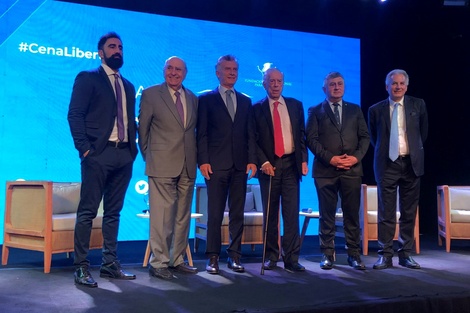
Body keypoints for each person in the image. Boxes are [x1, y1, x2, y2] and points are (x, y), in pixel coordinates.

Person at [67, 32, 138, 287]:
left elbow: (129, 121)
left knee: (114, 213)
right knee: (87, 212)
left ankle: (109, 264)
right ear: (101, 52)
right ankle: (81, 267)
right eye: (112, 46)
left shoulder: (129, 86)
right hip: (98, 154)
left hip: (124, 155)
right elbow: (74, 115)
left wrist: (132, 150)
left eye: (120, 46)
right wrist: (85, 149)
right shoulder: (88, 78)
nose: (117, 50)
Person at [138, 56, 198, 280]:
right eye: (170, 68)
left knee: (182, 216)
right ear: (164, 71)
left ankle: (177, 259)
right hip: (161, 163)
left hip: (187, 164)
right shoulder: (152, 94)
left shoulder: (193, 97)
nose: (174, 73)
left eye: (179, 69)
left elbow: (191, 132)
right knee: (162, 216)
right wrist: (151, 157)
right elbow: (142, 132)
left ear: (185, 73)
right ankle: (159, 262)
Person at [197, 54, 257, 274]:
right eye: (227, 68)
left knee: (237, 213)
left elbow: (250, 134)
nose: (232, 72)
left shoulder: (245, 100)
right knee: (214, 213)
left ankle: (235, 256)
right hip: (215, 165)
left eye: (235, 69)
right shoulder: (205, 99)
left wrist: (252, 160)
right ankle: (213, 257)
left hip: (240, 165)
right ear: (217, 72)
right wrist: (202, 160)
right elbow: (201, 133)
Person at [306, 71, 370, 270]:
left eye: (339, 84)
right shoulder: (315, 110)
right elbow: (311, 140)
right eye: (332, 84)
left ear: (344, 87)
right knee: (327, 215)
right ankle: (327, 254)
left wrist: (355, 158)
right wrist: (331, 159)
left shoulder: (355, 110)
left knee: (352, 214)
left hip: (352, 169)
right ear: (324, 88)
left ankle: (354, 255)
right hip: (326, 171)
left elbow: (365, 137)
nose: (336, 87)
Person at [368, 69, 428, 270]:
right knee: (386, 212)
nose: (398, 86)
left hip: (411, 164)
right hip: (387, 164)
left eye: (402, 83)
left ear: (407, 86)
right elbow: (374, 139)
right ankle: (385, 255)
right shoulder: (375, 109)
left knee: (409, 212)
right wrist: (389, 152)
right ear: (387, 86)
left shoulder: (418, 105)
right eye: (394, 83)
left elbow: (423, 133)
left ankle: (405, 255)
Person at [253, 67, 309, 273]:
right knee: (271, 215)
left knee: (291, 214)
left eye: (279, 81)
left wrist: (303, 159)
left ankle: (292, 258)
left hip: (291, 165)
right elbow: (253, 140)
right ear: (264, 83)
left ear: (283, 83)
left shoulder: (295, 105)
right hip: (269, 167)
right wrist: (263, 161)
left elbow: (301, 136)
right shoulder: (256, 108)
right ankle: (271, 256)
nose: (275, 85)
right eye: (271, 81)